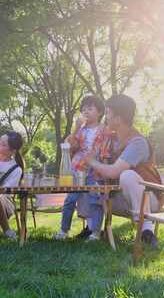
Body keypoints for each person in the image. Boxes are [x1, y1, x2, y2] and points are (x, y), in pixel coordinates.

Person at [85, 94, 162, 248]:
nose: (105, 117)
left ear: (118, 119)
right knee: (85, 180)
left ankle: (146, 231)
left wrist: (92, 162)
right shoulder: (111, 140)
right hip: (121, 198)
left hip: (149, 198)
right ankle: (91, 229)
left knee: (127, 175)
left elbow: (114, 172)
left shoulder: (137, 142)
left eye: (108, 113)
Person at [54, 95, 107, 242]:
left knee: (95, 200)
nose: (86, 112)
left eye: (90, 109)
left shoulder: (105, 130)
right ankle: (64, 231)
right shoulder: (80, 130)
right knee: (70, 200)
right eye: (84, 109)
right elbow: (70, 146)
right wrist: (76, 127)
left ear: (100, 112)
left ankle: (95, 233)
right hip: (78, 170)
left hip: (96, 171)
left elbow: (107, 149)